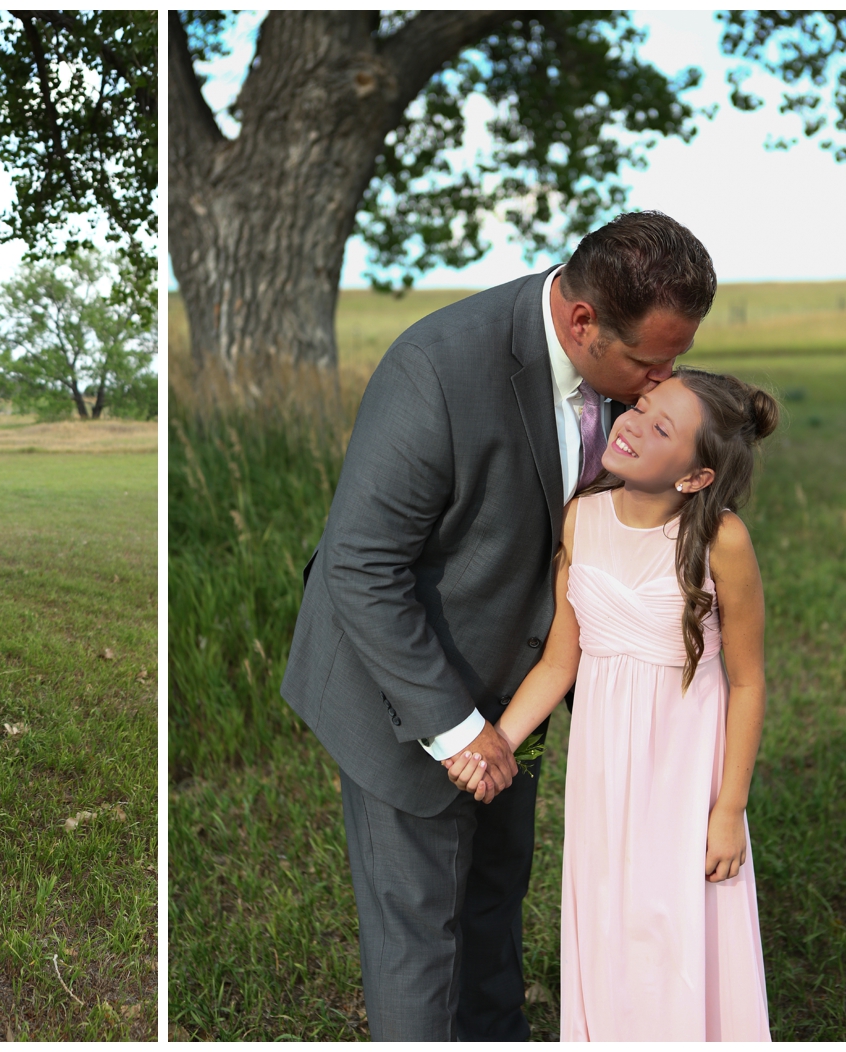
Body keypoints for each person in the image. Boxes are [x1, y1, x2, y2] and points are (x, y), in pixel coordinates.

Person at [280, 210, 717, 1039]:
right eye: (650, 361)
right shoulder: (437, 368)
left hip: (524, 689)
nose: (665, 380)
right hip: (406, 692)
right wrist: (459, 732)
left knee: (492, 908)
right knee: (421, 939)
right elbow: (361, 568)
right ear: (582, 321)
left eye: (677, 360)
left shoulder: (630, 397)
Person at [443, 368, 775, 1040]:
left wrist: (729, 808)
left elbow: (747, 681)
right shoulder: (582, 517)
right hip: (603, 774)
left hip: (682, 774)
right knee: (610, 911)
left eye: (662, 428)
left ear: (695, 477)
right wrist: (495, 742)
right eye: (641, 407)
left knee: (674, 916)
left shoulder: (721, 541)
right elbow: (561, 660)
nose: (632, 424)